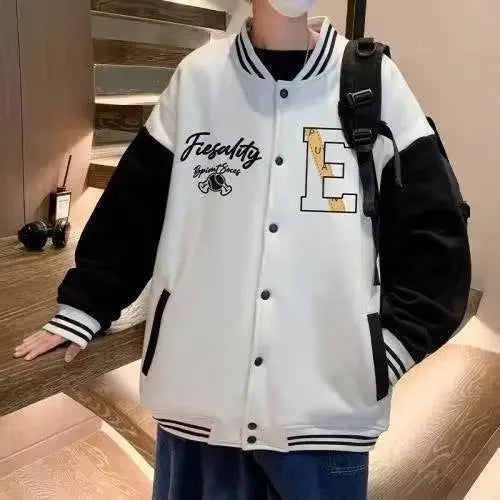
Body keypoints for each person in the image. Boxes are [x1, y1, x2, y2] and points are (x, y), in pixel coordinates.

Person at [14, 0, 471, 498]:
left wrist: (386, 354)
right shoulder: (200, 78)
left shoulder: (372, 83)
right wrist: (85, 306)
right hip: (198, 400)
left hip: (327, 416)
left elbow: (434, 231)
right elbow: (133, 208)